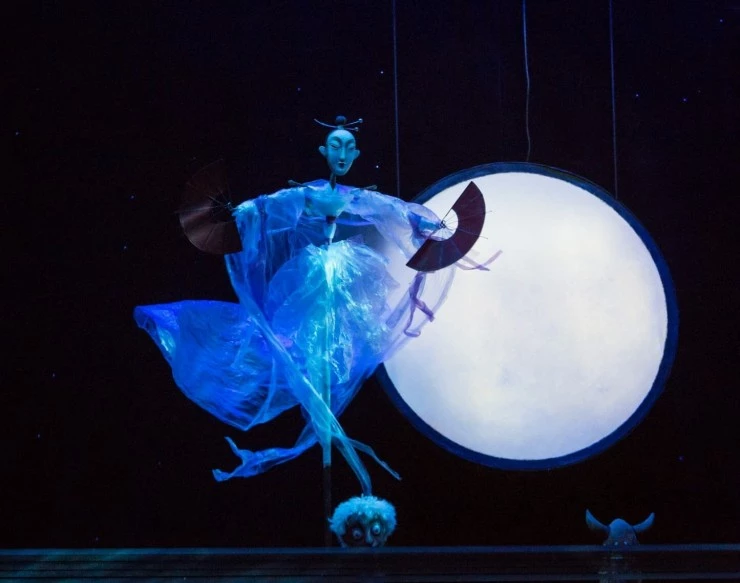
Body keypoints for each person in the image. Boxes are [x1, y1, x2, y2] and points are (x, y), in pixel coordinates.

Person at [134, 116, 454, 494]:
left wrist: (420, 222)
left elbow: (391, 210)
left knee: (333, 352)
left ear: (356, 153)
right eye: (334, 146)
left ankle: (327, 438)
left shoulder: (359, 196)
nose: (341, 154)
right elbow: (269, 207)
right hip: (314, 277)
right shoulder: (306, 193)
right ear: (323, 151)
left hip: (347, 275)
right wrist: (246, 213)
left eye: (348, 147)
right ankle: (319, 435)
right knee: (301, 348)